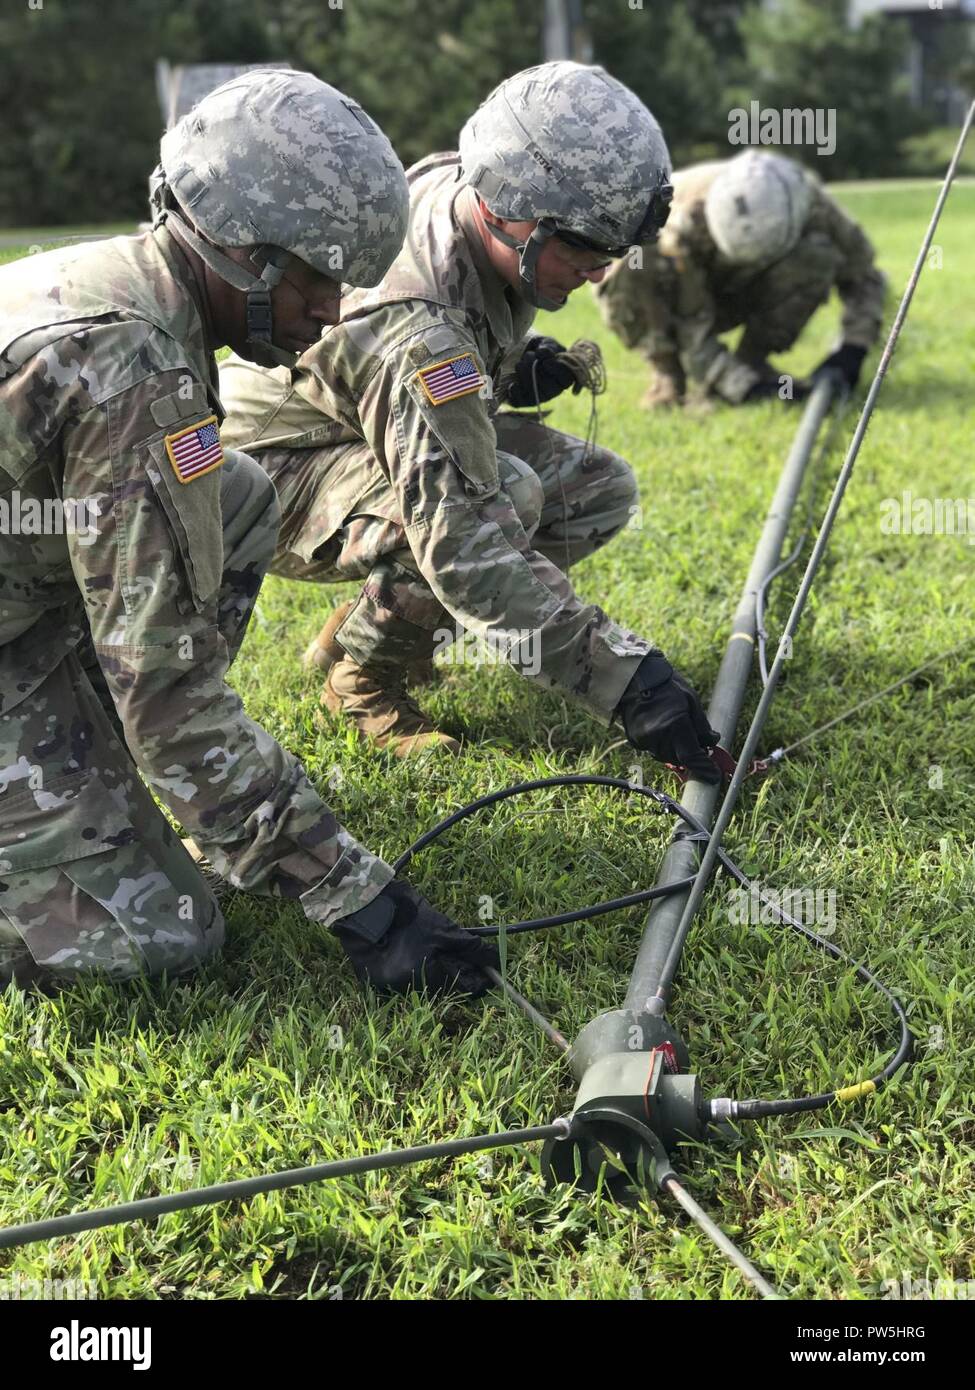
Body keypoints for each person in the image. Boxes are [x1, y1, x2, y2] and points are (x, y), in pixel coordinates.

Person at [0, 68, 498, 998]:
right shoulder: (129, 372)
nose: (333, 311)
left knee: (234, 497)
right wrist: (362, 903)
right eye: (317, 279)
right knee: (159, 939)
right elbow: (167, 684)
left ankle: (113, 783)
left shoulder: (136, 289)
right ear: (241, 253)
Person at [219, 61, 721, 781]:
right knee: (498, 499)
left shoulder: (472, 183)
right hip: (265, 469)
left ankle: (367, 632)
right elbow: (459, 535)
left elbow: (443, 348)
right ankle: (361, 687)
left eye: (609, 251)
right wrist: (627, 685)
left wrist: (516, 367)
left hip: (352, 421)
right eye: (581, 246)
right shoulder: (419, 335)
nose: (598, 272)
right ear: (509, 210)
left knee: (594, 486)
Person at [594, 150, 887, 409]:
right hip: (680, 291)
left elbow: (864, 276)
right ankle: (667, 372)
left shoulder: (817, 208)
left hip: (746, 290)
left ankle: (752, 361)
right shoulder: (674, 216)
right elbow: (690, 322)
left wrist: (853, 349)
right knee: (635, 260)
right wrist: (741, 386)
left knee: (815, 257)